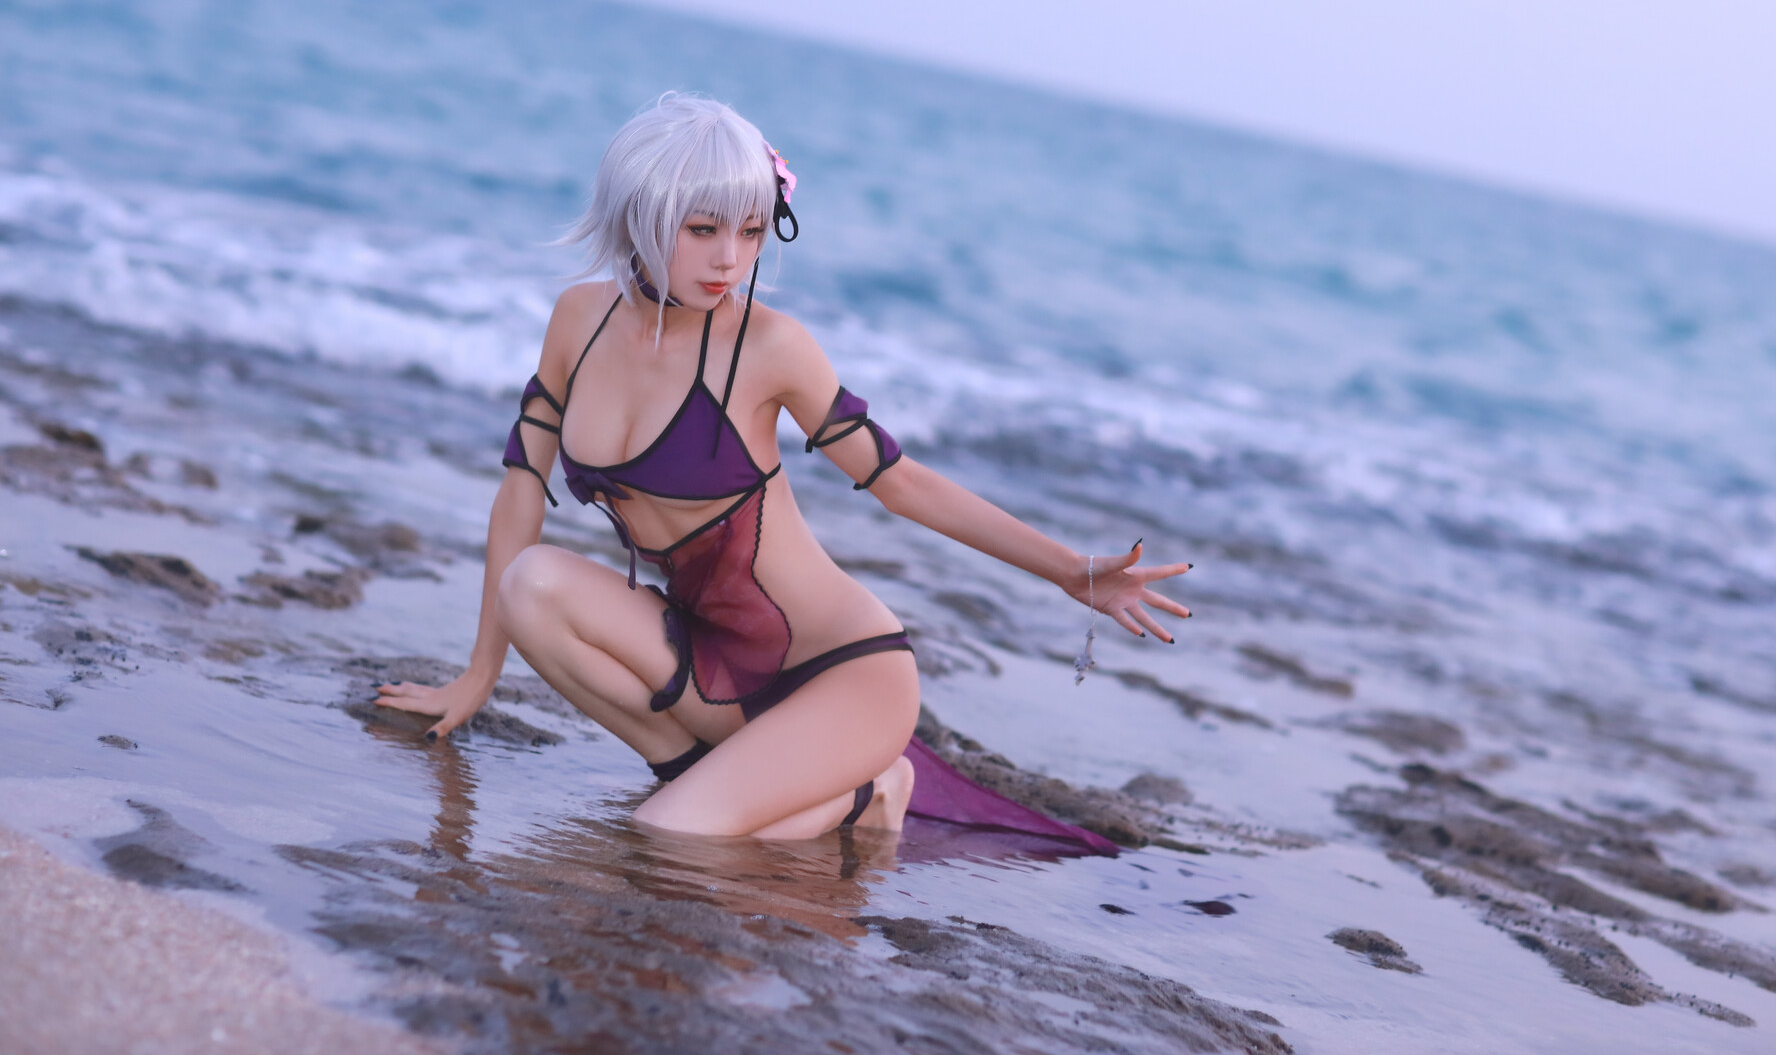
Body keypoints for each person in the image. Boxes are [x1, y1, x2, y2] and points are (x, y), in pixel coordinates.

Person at [376, 94, 1191, 843]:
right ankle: (706, 773)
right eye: (703, 230)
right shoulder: (577, 321)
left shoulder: (770, 348)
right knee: (533, 585)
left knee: (671, 834)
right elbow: (522, 488)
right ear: (639, 213)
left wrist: (1070, 571)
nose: (730, 259)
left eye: (752, 231)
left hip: (839, 674)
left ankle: (872, 790)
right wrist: (477, 676)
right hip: (703, 653)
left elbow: (902, 484)